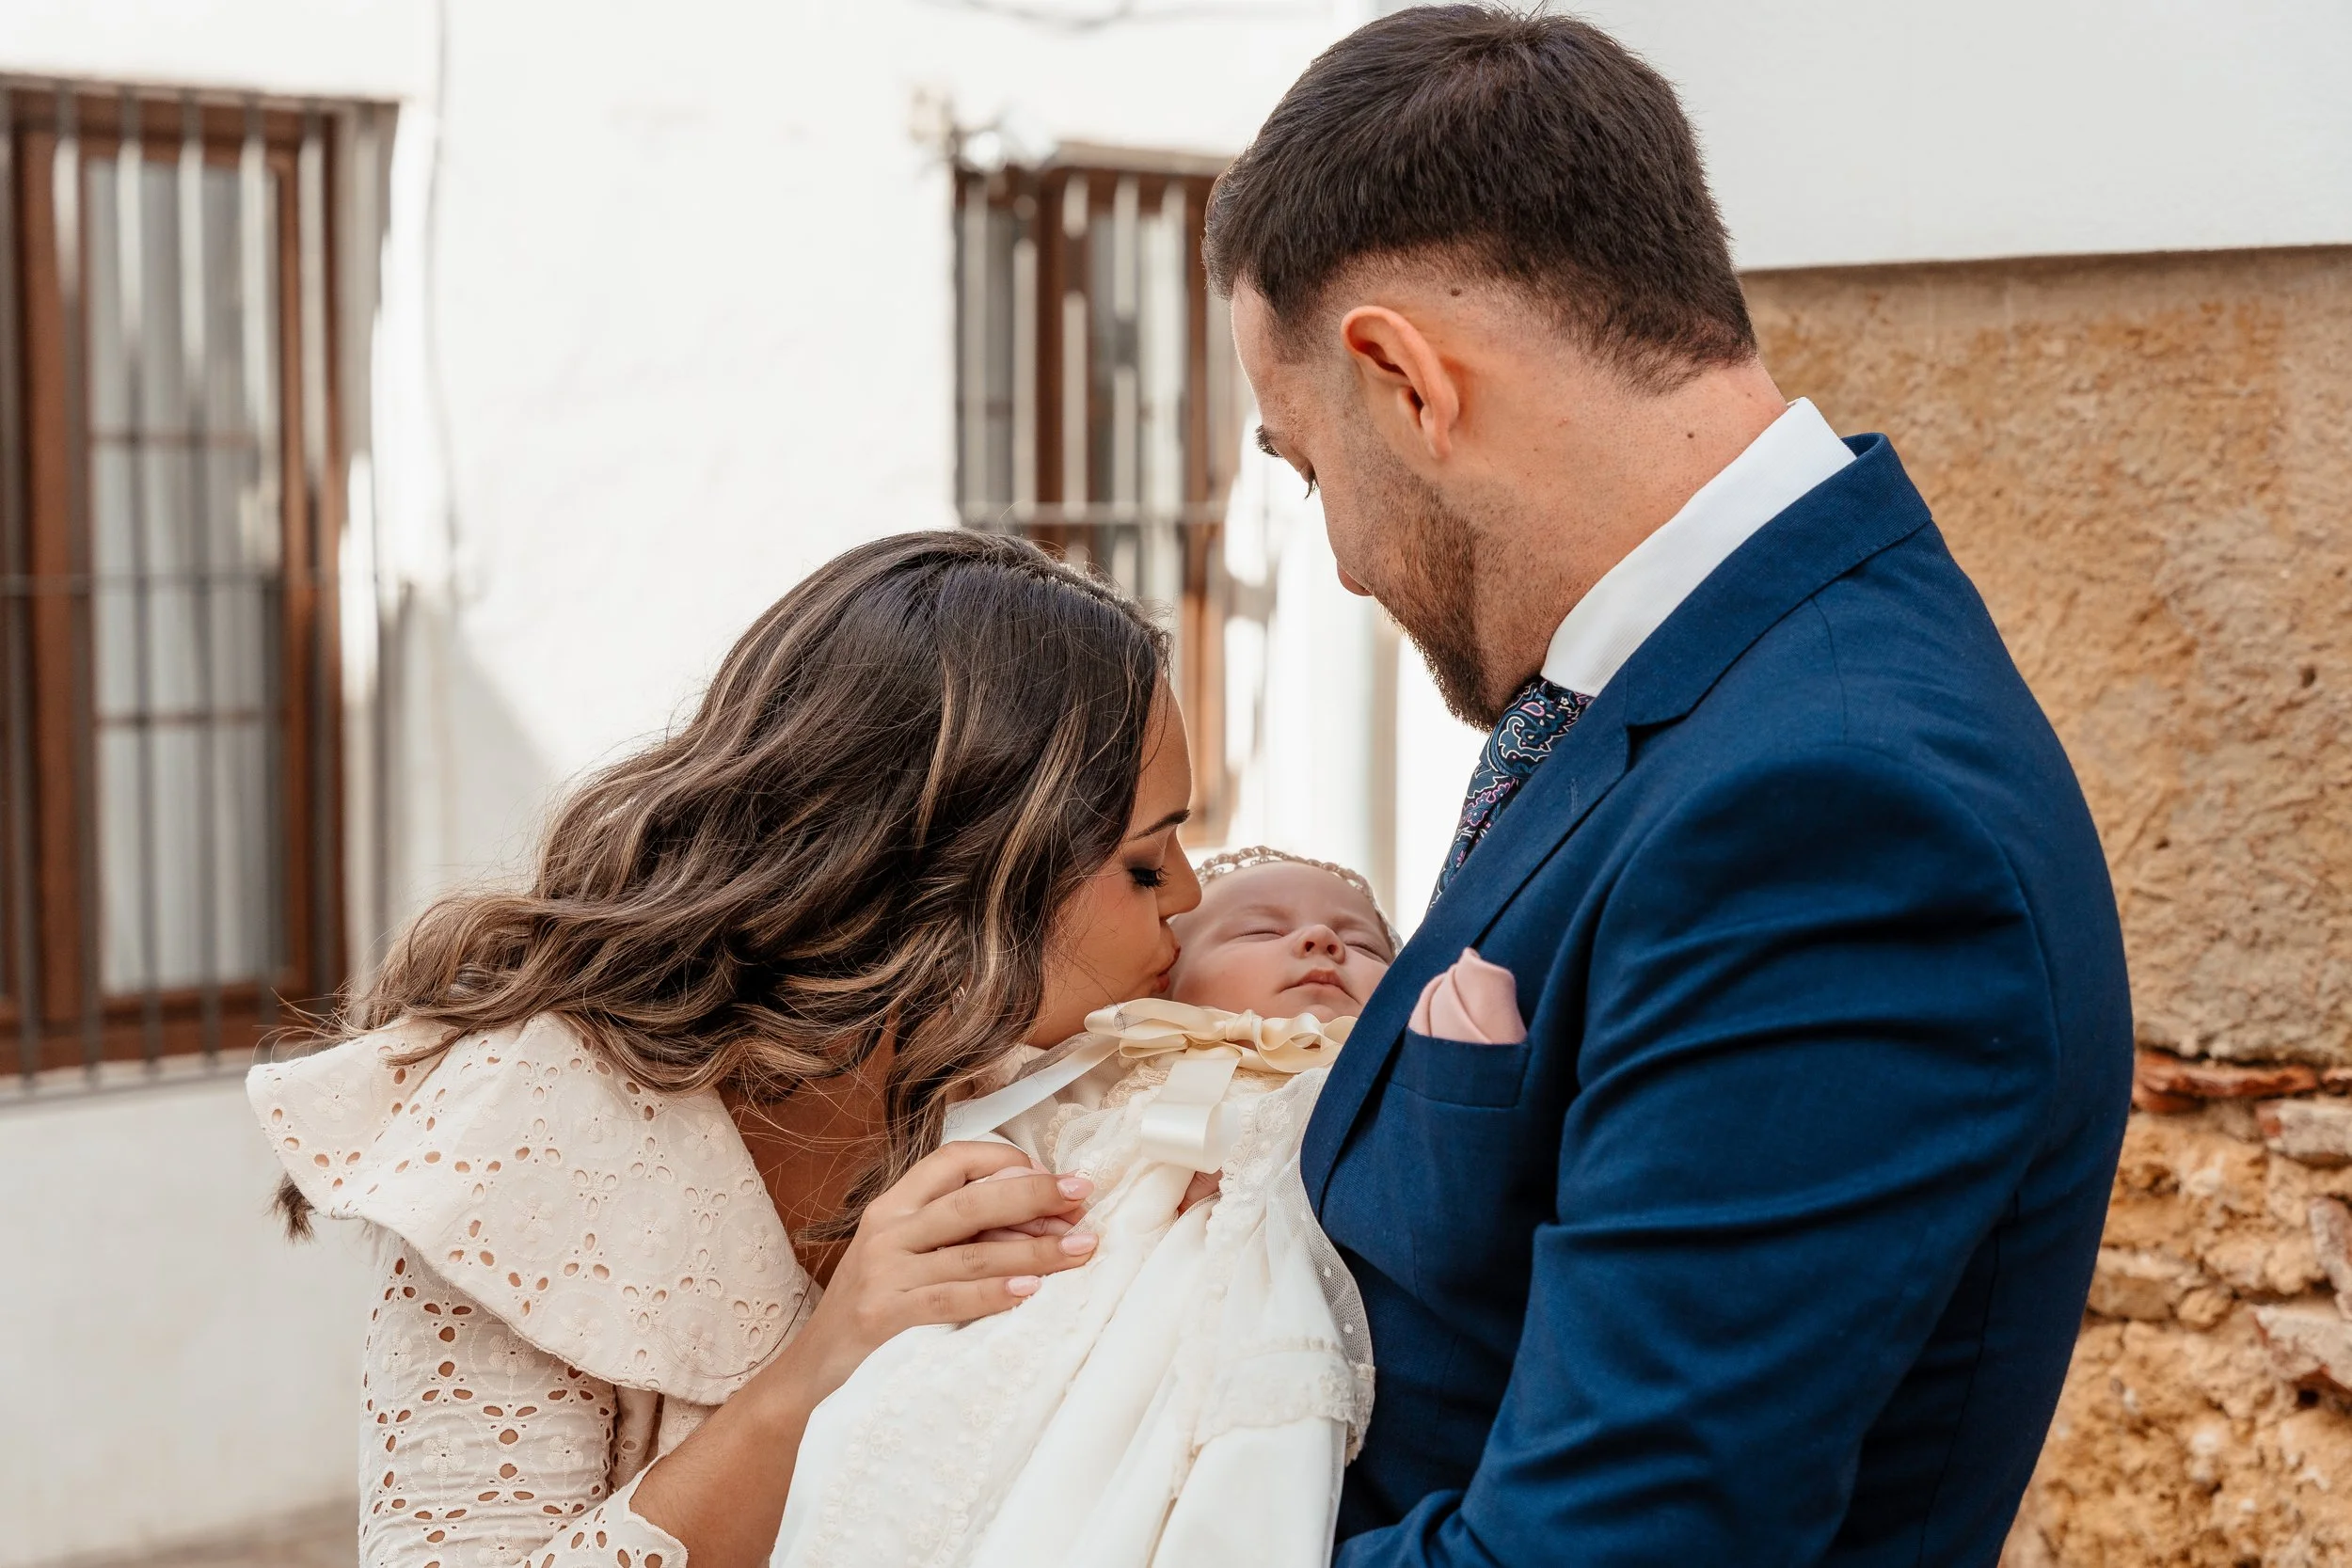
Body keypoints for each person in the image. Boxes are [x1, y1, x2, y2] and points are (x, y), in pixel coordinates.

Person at [1203, 8, 2134, 1564]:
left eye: (1308, 470)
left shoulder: (1837, 817)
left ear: (1405, 380)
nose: (1349, 566)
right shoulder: (1681, 689)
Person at [250, 531, 1204, 1568]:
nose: (1196, 897)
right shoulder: (525, 1133)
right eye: (1147, 865)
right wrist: (826, 1363)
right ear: (954, 877)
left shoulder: (1039, 1072)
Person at [774, 847, 1405, 1568]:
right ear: (1170, 976)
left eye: (1361, 941)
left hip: (1240, 1324)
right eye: (1259, 930)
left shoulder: (1375, 1085)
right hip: (1063, 1316)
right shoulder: (1105, 1062)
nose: (1321, 943)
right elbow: (1003, 1142)